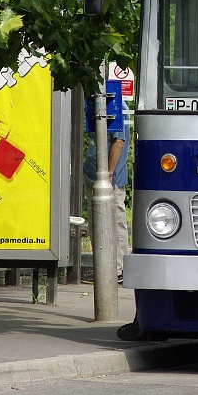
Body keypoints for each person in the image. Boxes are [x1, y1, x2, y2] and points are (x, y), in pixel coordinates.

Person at [83, 115, 130, 282]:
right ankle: (103, 267)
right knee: (96, 222)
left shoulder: (118, 107)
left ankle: (117, 269)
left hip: (110, 179)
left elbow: (119, 142)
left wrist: (108, 173)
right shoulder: (101, 104)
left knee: (115, 221)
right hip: (94, 175)